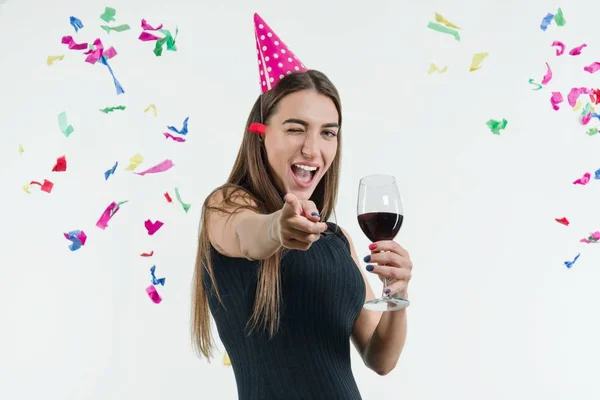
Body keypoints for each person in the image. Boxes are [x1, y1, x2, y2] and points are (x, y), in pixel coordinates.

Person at [191, 12, 414, 400]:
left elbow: (380, 358)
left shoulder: (337, 239)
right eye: (295, 129)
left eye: (328, 132)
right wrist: (279, 227)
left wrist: (397, 291)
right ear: (260, 135)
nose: (312, 149)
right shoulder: (225, 205)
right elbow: (250, 236)